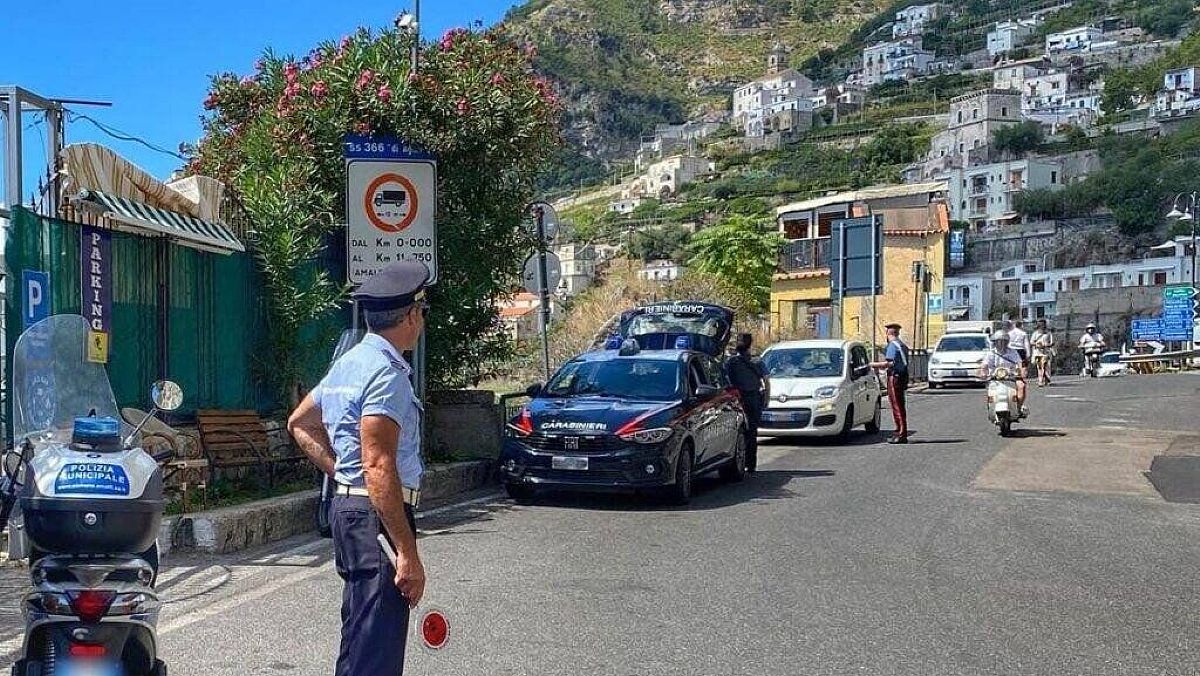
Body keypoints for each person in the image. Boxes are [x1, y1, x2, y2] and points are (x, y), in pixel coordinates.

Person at [287, 261, 430, 676]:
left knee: (360, 640)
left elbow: (300, 423)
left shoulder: (348, 364)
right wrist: (407, 552)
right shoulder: (387, 375)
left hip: (352, 510)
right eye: (420, 312)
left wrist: (341, 473)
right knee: (376, 652)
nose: (420, 320)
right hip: (376, 517)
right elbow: (378, 463)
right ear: (410, 316)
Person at [724, 333, 769, 473]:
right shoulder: (757, 361)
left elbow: (724, 380)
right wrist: (767, 399)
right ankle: (750, 464)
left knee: (738, 431)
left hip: (737, 399)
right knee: (751, 432)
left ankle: (740, 462)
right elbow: (766, 382)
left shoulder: (731, 362)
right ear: (750, 344)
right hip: (753, 399)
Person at [870, 323, 910, 444]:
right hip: (902, 376)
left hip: (894, 377)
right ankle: (900, 432)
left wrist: (872, 365)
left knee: (896, 406)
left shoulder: (892, 346)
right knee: (900, 405)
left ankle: (901, 434)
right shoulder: (902, 345)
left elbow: (888, 364)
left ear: (888, 334)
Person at [980, 329, 1027, 414]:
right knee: (990, 391)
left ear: (1007, 342)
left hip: (1011, 376)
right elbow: (984, 365)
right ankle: (991, 407)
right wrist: (983, 373)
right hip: (994, 377)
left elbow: (1020, 363)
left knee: (1022, 386)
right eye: (999, 341)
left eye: (1004, 341)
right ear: (995, 342)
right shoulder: (991, 353)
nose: (1002, 343)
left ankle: (1019, 407)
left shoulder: (1013, 352)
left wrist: (1022, 372)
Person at [1030, 319, 1055, 386]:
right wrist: (1037, 345)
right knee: (1040, 367)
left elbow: (1052, 343)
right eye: (1040, 324)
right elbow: (1031, 342)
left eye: (1043, 324)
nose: (1041, 326)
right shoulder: (1035, 333)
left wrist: (1046, 345)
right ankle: (1040, 381)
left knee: (1047, 366)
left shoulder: (1048, 333)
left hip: (1046, 352)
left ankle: (1047, 380)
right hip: (1038, 352)